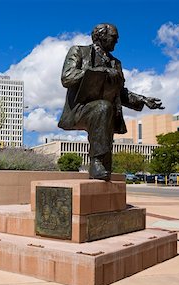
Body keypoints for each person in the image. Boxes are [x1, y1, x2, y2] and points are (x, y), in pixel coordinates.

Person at [58, 23, 164, 180]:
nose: (117, 42)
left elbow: (119, 92)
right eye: (114, 37)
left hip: (104, 114)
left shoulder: (116, 63)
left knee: (106, 111)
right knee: (103, 107)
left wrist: (143, 100)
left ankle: (101, 166)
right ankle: (96, 162)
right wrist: (98, 71)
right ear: (101, 37)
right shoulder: (79, 51)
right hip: (80, 109)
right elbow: (67, 77)